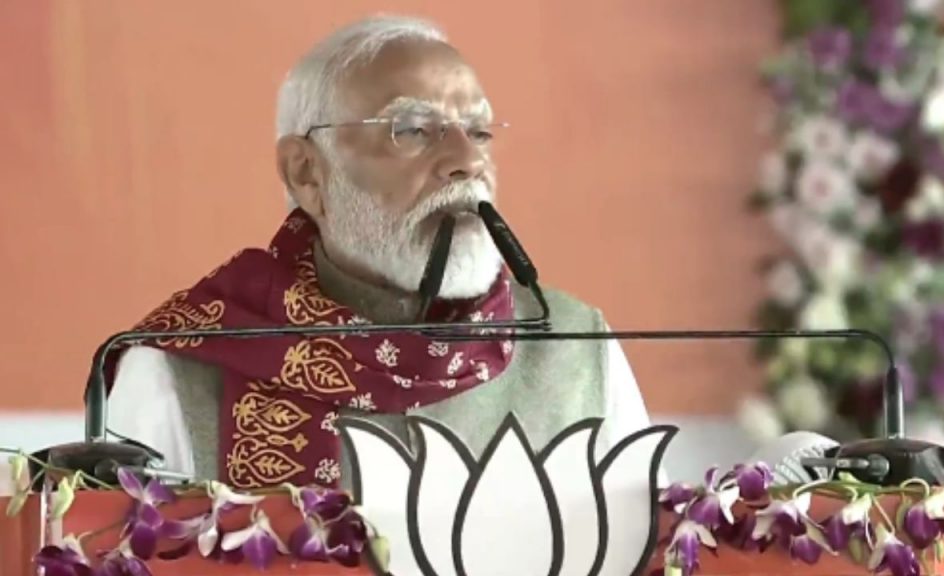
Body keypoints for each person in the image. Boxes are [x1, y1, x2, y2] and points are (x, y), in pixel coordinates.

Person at [105, 15, 655, 490]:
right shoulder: (185, 366)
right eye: (413, 130)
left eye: (480, 132)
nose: (467, 161)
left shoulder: (578, 349)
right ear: (307, 172)